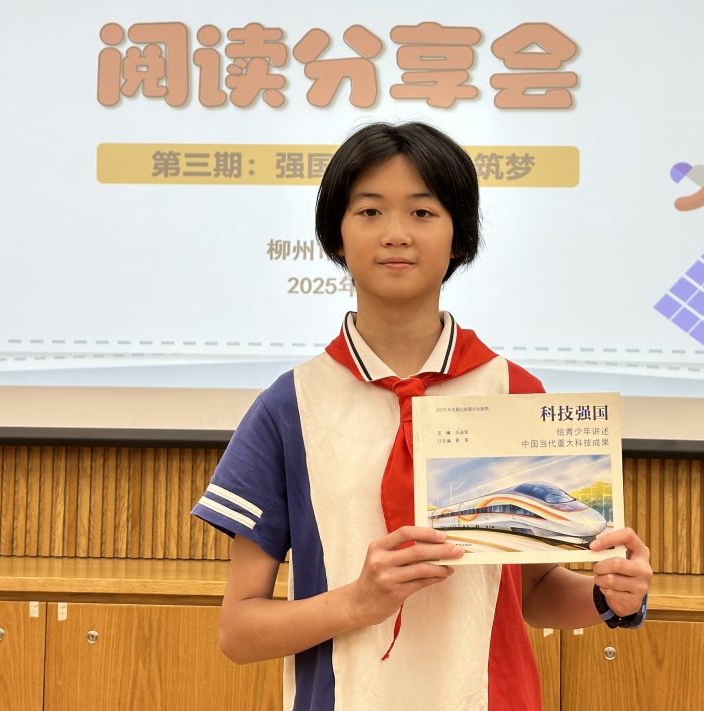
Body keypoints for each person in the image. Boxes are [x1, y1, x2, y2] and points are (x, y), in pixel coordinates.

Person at [192, 121, 652, 711]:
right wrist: (358, 600)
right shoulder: (290, 406)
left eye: (423, 212)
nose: (396, 234)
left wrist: (610, 596)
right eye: (369, 211)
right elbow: (238, 633)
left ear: (460, 238)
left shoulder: (514, 392)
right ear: (336, 237)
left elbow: (533, 593)